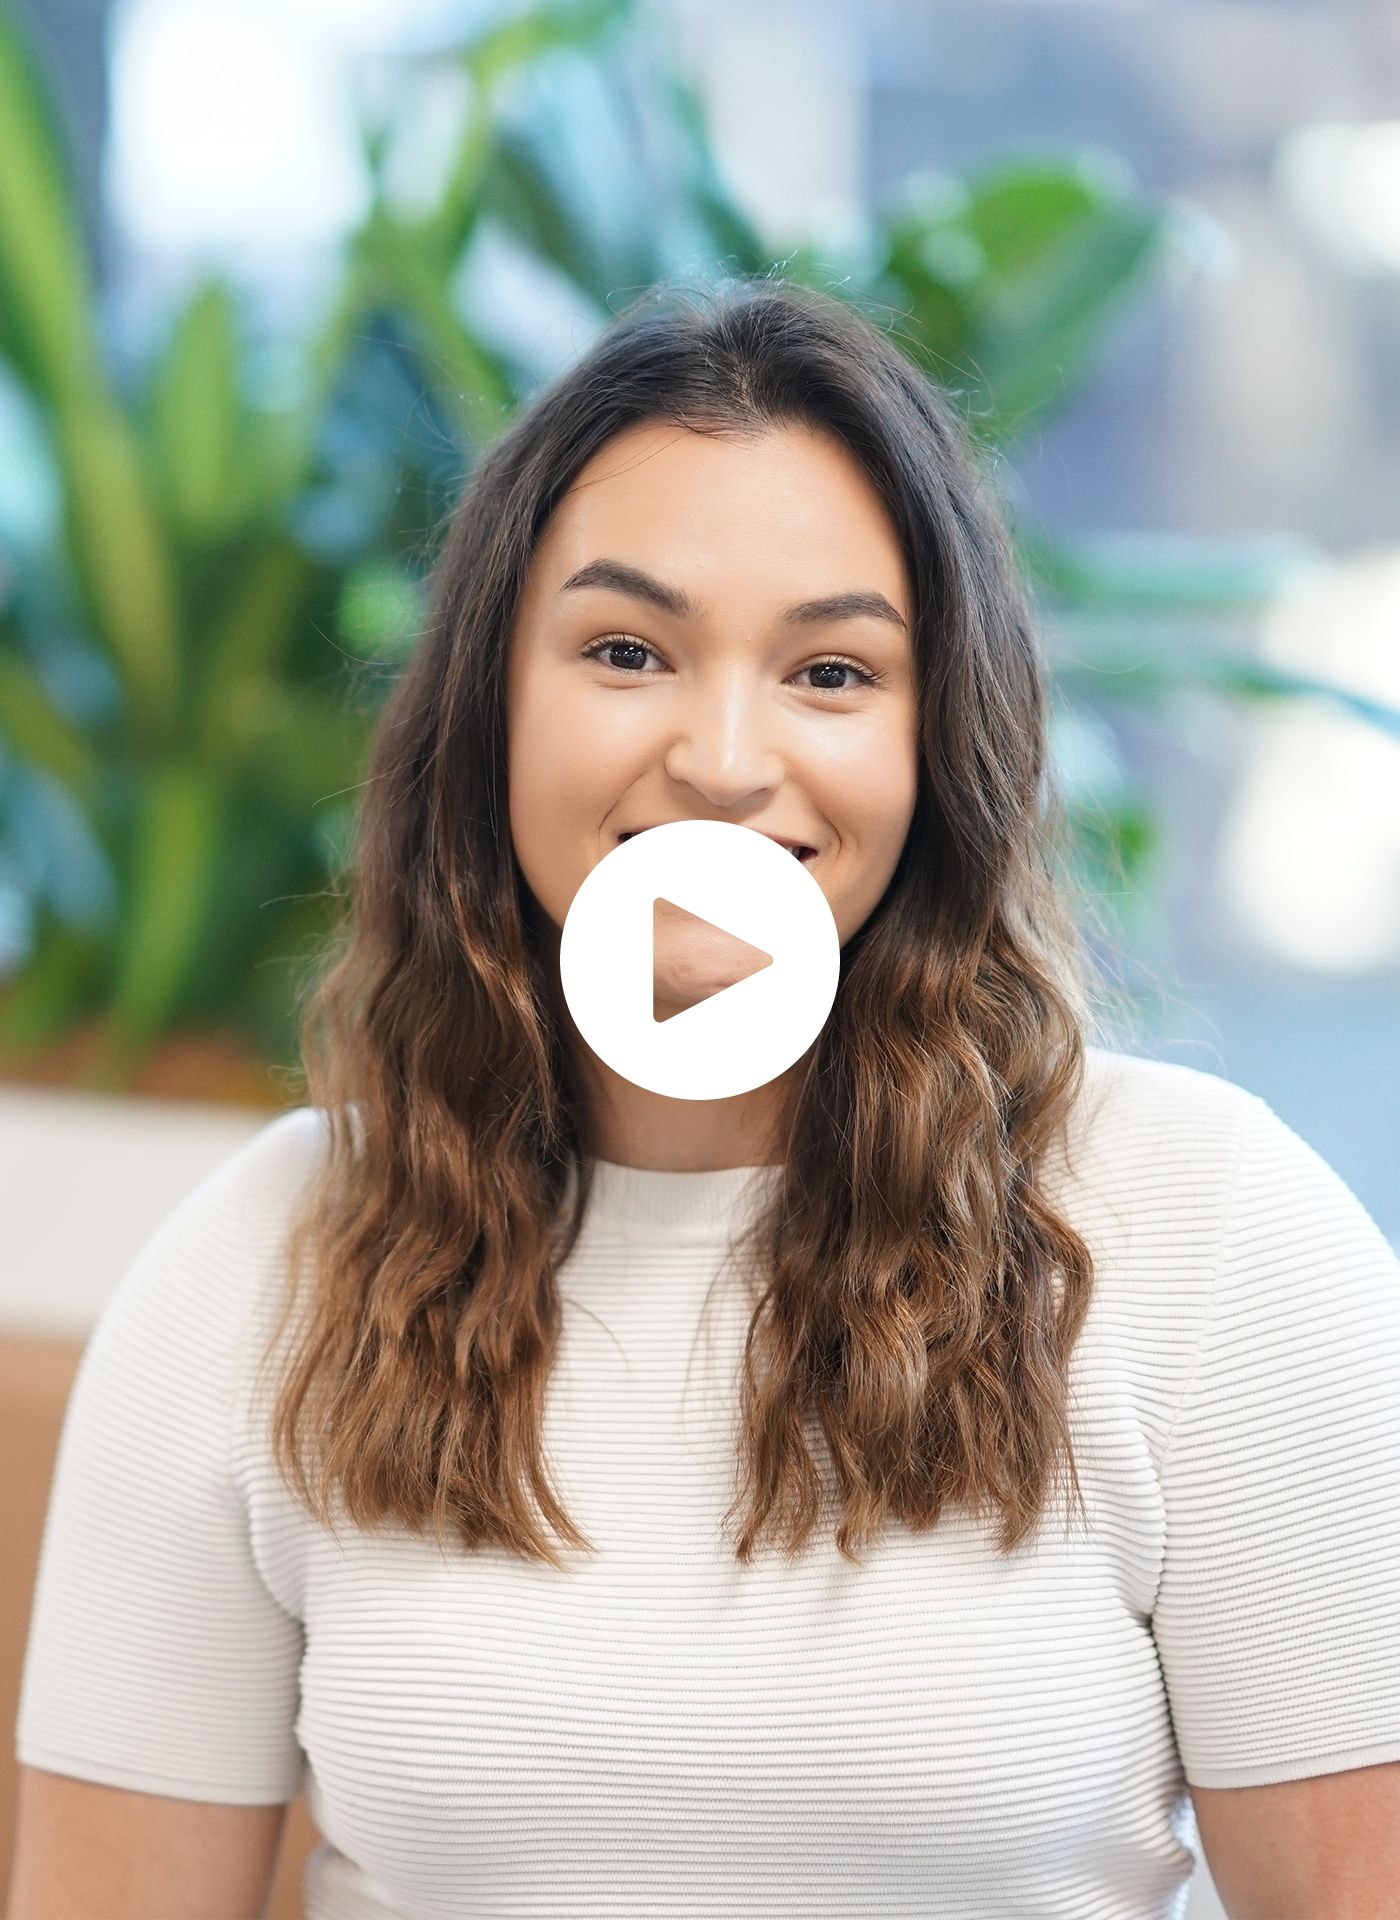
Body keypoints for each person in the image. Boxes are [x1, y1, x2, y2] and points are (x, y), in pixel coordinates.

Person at [10, 277, 1400, 1920]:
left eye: (831, 672)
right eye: (625, 649)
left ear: (938, 740)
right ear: (490, 713)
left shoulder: (1213, 1231)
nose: (727, 759)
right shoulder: (262, 1262)